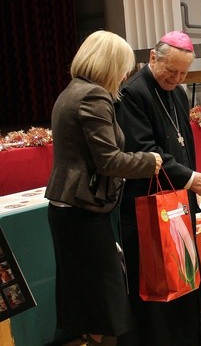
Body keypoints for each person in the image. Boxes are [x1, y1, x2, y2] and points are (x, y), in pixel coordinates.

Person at [45, 30, 163, 346]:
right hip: (82, 209)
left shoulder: (72, 91)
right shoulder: (93, 96)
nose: (125, 74)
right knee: (104, 301)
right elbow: (109, 161)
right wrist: (149, 159)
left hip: (69, 207)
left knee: (89, 300)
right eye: (123, 66)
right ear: (109, 64)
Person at [115, 31, 201, 345]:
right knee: (158, 281)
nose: (177, 78)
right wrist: (189, 178)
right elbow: (144, 149)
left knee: (185, 275)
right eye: (172, 71)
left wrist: (192, 184)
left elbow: (184, 143)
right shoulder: (132, 93)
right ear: (152, 58)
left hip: (179, 202)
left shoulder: (178, 93)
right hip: (146, 204)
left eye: (184, 73)